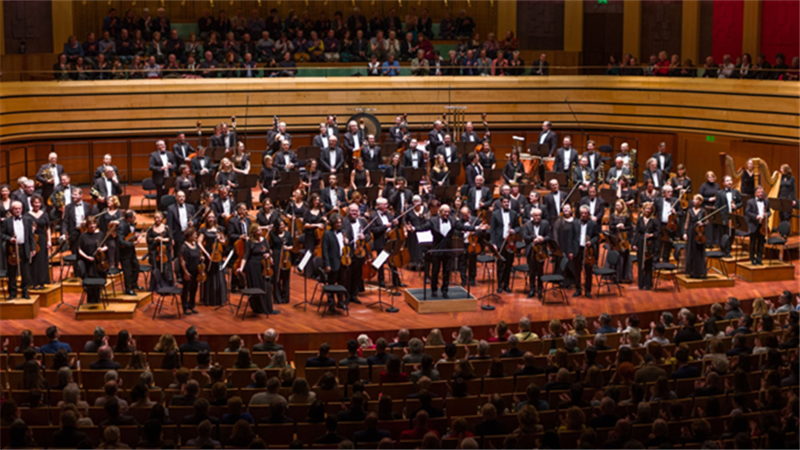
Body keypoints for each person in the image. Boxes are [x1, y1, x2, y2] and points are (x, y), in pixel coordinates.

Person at [237, 224, 277, 316]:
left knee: (266, 286)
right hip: (253, 267)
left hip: (264, 266)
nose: (261, 231)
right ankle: (258, 308)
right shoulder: (250, 242)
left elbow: (268, 251)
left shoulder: (264, 240)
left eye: (260, 230)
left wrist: (268, 255)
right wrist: (241, 268)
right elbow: (245, 256)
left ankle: (267, 308)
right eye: (258, 230)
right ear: (254, 232)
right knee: (257, 286)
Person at [1, 200, 34, 299]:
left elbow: (30, 236)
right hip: (12, 249)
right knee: (12, 272)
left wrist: (32, 248)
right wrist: (9, 239)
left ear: (22, 209)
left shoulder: (27, 220)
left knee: (25, 272)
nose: (18, 210)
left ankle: (25, 291)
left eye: (19, 208)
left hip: (24, 248)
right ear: (12, 210)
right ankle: (12, 292)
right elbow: (1, 234)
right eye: (15, 209)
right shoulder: (7, 221)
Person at [491, 197, 521, 294]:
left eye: (508, 202)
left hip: (510, 243)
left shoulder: (513, 213)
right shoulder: (495, 214)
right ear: (501, 203)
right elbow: (493, 230)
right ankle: (499, 285)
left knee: (508, 264)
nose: (507, 203)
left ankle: (506, 285)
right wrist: (493, 243)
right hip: (500, 242)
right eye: (505, 202)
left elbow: (518, 227)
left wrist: (514, 230)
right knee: (500, 265)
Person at [322, 214, 348, 313]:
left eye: (340, 222)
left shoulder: (343, 233)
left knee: (342, 283)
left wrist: (347, 242)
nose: (339, 224)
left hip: (343, 262)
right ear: (333, 223)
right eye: (337, 223)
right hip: (333, 262)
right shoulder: (327, 234)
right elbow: (325, 251)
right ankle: (331, 304)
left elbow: (345, 248)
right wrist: (327, 264)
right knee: (331, 284)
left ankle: (340, 302)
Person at [572, 205, 600, 298]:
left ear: (588, 214)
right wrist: (570, 251)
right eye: (582, 213)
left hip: (588, 250)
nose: (583, 215)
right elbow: (571, 237)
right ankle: (578, 289)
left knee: (588, 271)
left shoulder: (593, 224)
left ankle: (587, 290)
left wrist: (591, 242)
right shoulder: (575, 223)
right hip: (577, 249)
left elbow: (597, 236)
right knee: (577, 271)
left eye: (585, 213)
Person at [523, 208, 550, 299]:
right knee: (531, 272)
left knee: (540, 271)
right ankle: (532, 289)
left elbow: (549, 236)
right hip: (531, 251)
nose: (538, 217)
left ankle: (539, 289)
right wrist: (533, 238)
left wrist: (542, 239)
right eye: (536, 215)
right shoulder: (527, 224)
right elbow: (525, 237)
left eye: (539, 215)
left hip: (541, 251)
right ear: (532, 216)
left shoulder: (545, 224)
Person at [25, 194, 51, 290]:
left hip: (42, 239)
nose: (37, 204)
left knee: (42, 260)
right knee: (34, 261)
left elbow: (48, 228)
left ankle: (42, 281)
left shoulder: (44, 214)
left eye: (38, 202)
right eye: (35, 203)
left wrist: (49, 240)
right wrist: (32, 230)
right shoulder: (27, 215)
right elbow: (25, 230)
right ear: (31, 203)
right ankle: (34, 282)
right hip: (32, 239)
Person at [178, 227, 202, 315]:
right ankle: (185, 307)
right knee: (186, 289)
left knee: (194, 289)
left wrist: (201, 258)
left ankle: (192, 305)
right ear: (189, 236)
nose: (196, 236)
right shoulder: (184, 247)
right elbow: (182, 260)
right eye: (194, 234)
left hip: (196, 271)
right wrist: (185, 272)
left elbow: (198, 254)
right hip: (187, 271)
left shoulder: (195, 244)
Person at [634, 202, 659, 290]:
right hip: (641, 242)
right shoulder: (640, 219)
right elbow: (637, 232)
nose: (648, 210)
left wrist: (651, 235)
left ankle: (648, 284)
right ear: (643, 209)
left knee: (648, 264)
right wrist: (634, 244)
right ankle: (641, 283)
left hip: (650, 244)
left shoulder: (654, 220)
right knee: (641, 263)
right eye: (646, 208)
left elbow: (658, 232)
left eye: (650, 209)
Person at [117, 210, 142, 296]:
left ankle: (134, 284)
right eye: (134, 217)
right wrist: (132, 243)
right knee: (127, 272)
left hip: (131, 251)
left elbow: (129, 236)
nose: (135, 219)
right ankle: (128, 289)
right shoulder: (122, 226)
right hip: (124, 253)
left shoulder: (131, 224)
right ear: (129, 218)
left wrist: (135, 236)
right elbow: (120, 241)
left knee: (136, 267)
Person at [745, 186, 771, 265]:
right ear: (756, 193)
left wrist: (767, 214)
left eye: (762, 192)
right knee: (753, 243)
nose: (761, 194)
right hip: (754, 224)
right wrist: (756, 216)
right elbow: (747, 212)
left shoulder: (766, 201)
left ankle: (759, 259)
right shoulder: (750, 202)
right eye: (759, 192)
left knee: (761, 242)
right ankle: (752, 258)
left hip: (762, 225)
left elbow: (769, 211)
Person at [684, 195, 707, 278]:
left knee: (699, 252)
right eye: (693, 199)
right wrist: (685, 233)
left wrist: (703, 223)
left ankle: (699, 271)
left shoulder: (703, 211)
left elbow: (707, 221)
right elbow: (687, 222)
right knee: (691, 251)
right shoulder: (690, 210)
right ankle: (691, 271)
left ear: (700, 202)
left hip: (699, 233)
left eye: (696, 199)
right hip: (691, 232)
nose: (693, 201)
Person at [148, 140, 176, 209]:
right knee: (160, 194)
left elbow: (175, 164)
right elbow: (151, 167)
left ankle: (166, 209)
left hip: (168, 177)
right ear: (157, 146)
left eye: (164, 144)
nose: (163, 146)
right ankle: (159, 209)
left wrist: (171, 166)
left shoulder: (170, 154)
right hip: (159, 178)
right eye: (161, 144)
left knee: (166, 194)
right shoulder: (153, 155)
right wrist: (160, 168)